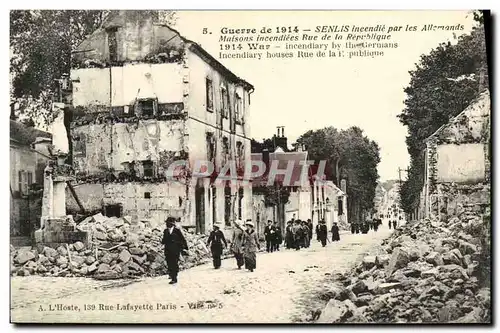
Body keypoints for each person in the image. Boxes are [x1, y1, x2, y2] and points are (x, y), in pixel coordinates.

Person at [161, 216, 188, 284]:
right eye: (166, 223)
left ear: (172, 223)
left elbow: (182, 239)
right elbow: (164, 240)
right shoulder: (165, 231)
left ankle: (174, 277)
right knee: (169, 263)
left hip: (175, 250)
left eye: (168, 223)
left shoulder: (177, 230)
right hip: (167, 250)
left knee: (174, 263)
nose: (166, 224)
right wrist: (163, 241)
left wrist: (185, 248)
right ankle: (171, 274)